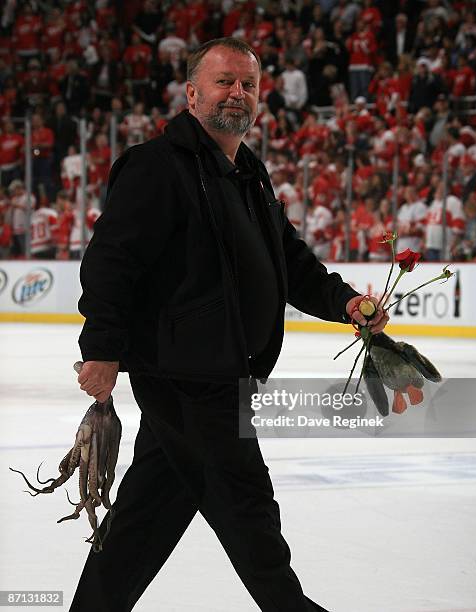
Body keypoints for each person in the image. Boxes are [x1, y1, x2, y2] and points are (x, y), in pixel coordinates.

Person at [71, 37, 389, 612]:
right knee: (249, 512)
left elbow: (288, 260)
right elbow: (110, 261)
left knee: (143, 521)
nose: (237, 93)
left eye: (248, 84)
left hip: (218, 374)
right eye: (224, 81)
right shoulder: (156, 168)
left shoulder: (248, 172)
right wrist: (102, 348)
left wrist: (344, 303)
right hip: (189, 379)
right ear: (192, 94)